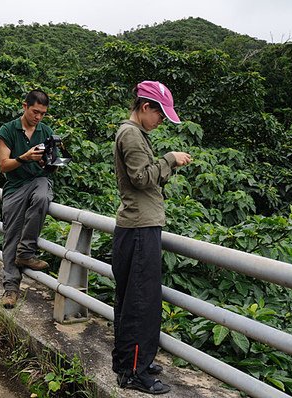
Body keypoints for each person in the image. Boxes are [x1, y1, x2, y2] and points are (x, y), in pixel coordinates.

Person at [112, 81, 192, 394]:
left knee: (130, 300)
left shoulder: (134, 133)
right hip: (140, 229)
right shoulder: (131, 133)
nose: (161, 122)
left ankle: (129, 361)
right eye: (160, 115)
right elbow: (141, 177)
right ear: (146, 107)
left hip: (135, 228)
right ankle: (134, 372)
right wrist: (170, 159)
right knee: (141, 304)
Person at [0, 89, 55, 309]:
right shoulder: (8, 130)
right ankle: (10, 288)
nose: (38, 117)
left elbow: (51, 167)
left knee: (41, 198)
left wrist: (48, 162)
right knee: (11, 235)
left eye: (42, 113)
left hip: (38, 179)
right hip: (14, 186)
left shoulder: (46, 131)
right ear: (25, 107)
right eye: (35, 112)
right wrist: (25, 157)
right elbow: (3, 165)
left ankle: (26, 251)